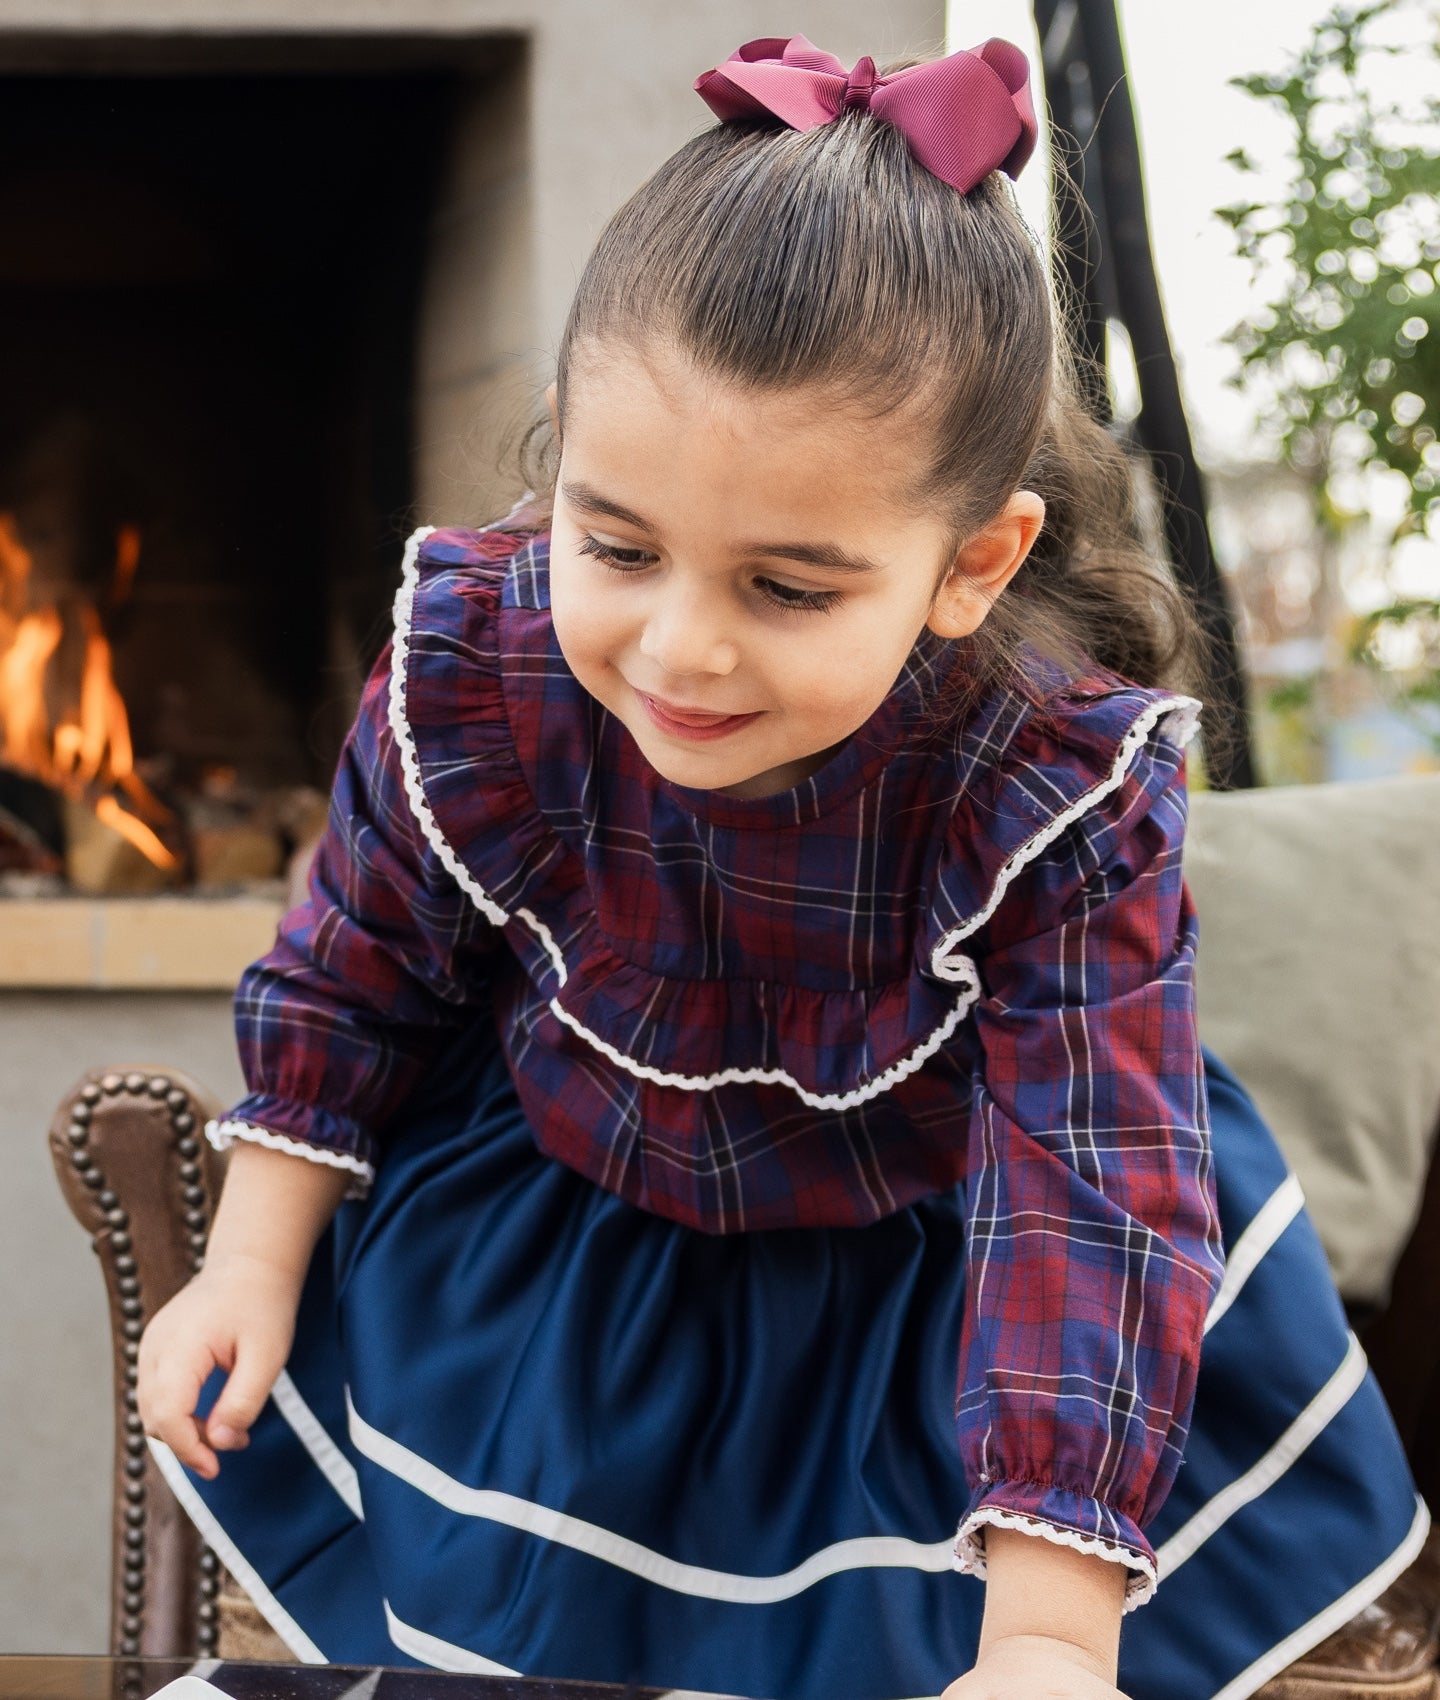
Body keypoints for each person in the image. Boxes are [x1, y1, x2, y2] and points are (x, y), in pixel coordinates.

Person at [137, 33, 1429, 1700]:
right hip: (571, 1262)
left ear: (972, 563)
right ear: (564, 452)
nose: (681, 648)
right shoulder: (476, 663)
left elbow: (1083, 1194)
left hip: (942, 1287)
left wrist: (1045, 1638)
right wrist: (251, 1258)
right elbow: (351, 971)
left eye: (791, 589)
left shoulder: (1053, 787)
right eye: (617, 545)